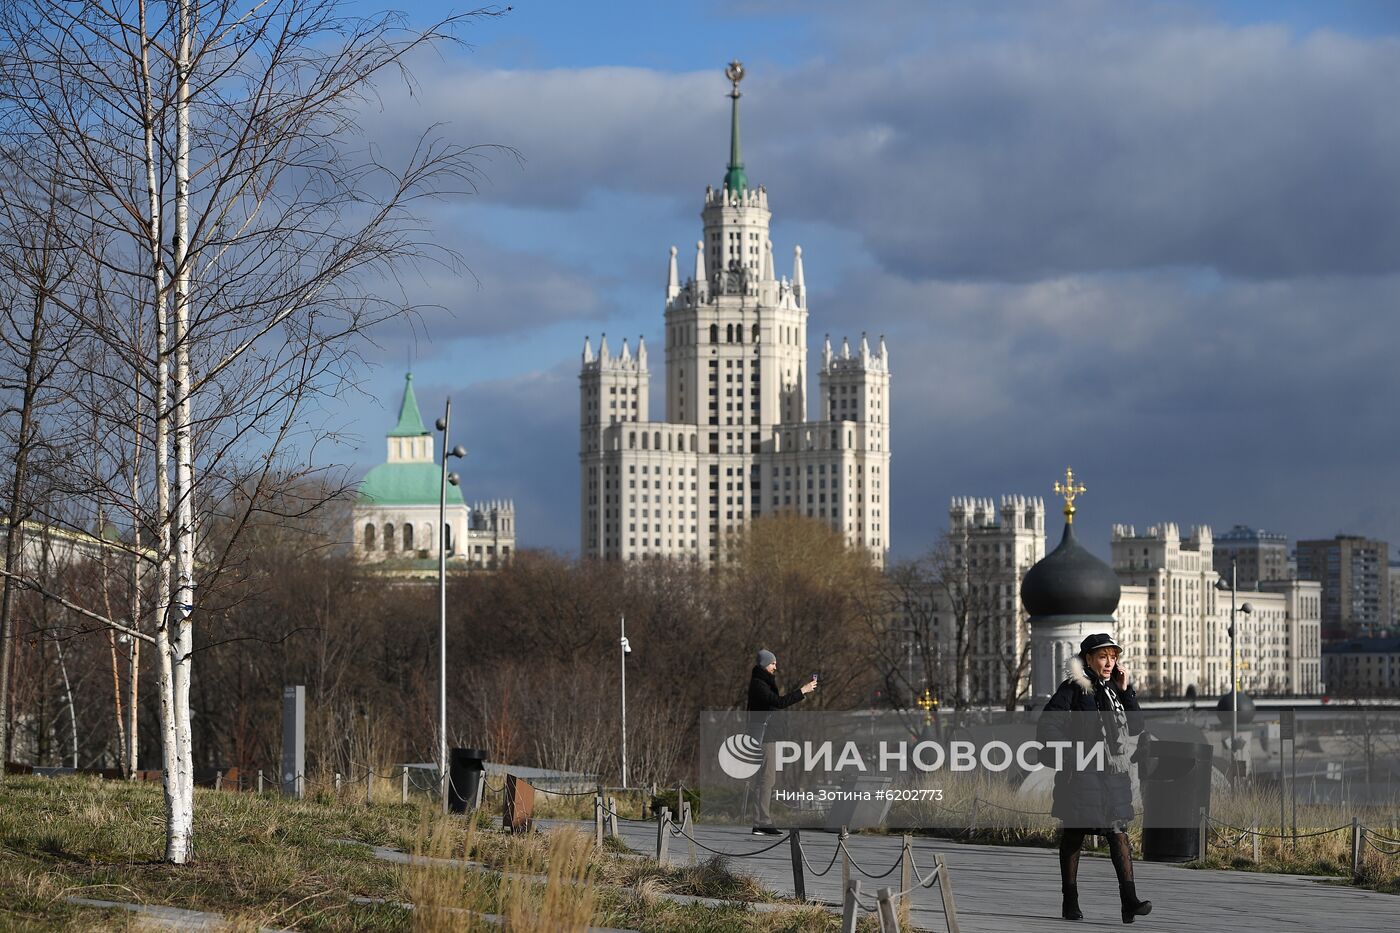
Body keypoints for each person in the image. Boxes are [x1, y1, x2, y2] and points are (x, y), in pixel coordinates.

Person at [1037, 633, 1152, 924]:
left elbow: (1136, 726)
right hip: (1082, 774)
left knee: (1118, 831)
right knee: (1075, 834)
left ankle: (1129, 902)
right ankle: (1070, 900)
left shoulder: (1114, 690)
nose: (1109, 663)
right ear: (1088, 659)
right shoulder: (1073, 688)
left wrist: (1126, 691)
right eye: (1103, 657)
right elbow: (1049, 724)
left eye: (1113, 657)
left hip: (1112, 774)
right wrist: (1072, 755)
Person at [746, 649, 816, 835]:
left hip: (766, 736)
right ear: (764, 664)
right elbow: (778, 702)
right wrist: (802, 691)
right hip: (764, 737)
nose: (775, 666)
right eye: (772, 663)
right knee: (766, 779)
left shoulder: (762, 682)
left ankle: (761, 821)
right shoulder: (759, 684)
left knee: (766, 779)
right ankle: (762, 822)